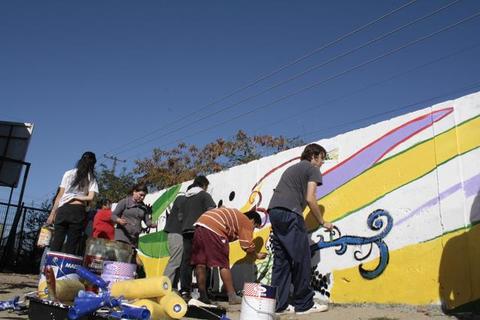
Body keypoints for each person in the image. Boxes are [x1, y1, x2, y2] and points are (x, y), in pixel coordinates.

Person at [268, 143, 334, 315]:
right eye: (322, 159)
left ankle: (279, 306)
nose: (322, 163)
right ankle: (304, 305)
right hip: (291, 213)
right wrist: (322, 221)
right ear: (314, 156)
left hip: (274, 212)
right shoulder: (312, 169)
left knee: (281, 261)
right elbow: (311, 198)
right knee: (302, 258)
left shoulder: (293, 169)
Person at [191, 207, 267, 305]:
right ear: (252, 220)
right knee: (223, 264)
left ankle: (203, 296)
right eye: (255, 226)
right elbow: (246, 245)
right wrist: (257, 255)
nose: (253, 229)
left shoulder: (236, 216)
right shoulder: (246, 221)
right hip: (216, 228)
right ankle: (232, 296)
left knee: (200, 263)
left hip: (200, 223)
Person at [46, 151, 99, 255]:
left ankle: (50, 268)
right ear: (93, 164)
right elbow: (91, 197)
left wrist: (52, 214)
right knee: (72, 243)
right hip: (78, 210)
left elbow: (60, 195)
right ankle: (66, 269)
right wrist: (76, 196)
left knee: (57, 240)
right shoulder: (91, 178)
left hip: (63, 208)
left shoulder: (68, 173)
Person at [179, 175, 216, 300]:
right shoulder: (204, 195)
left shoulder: (185, 198)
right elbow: (212, 210)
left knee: (187, 261)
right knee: (203, 261)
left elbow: (180, 216)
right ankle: (204, 292)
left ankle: (185, 291)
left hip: (185, 231)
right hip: (200, 230)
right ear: (204, 185)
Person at [111, 183, 157, 248]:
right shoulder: (124, 202)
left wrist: (152, 224)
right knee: (121, 257)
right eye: (141, 195)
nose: (142, 197)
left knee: (131, 257)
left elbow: (147, 222)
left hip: (134, 239)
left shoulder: (144, 208)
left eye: (144, 196)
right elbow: (113, 215)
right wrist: (119, 220)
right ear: (134, 192)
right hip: (122, 237)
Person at [163, 192, 187, 286]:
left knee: (179, 262)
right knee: (175, 261)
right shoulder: (182, 198)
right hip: (176, 233)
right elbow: (181, 216)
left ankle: (173, 286)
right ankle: (165, 286)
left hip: (179, 234)